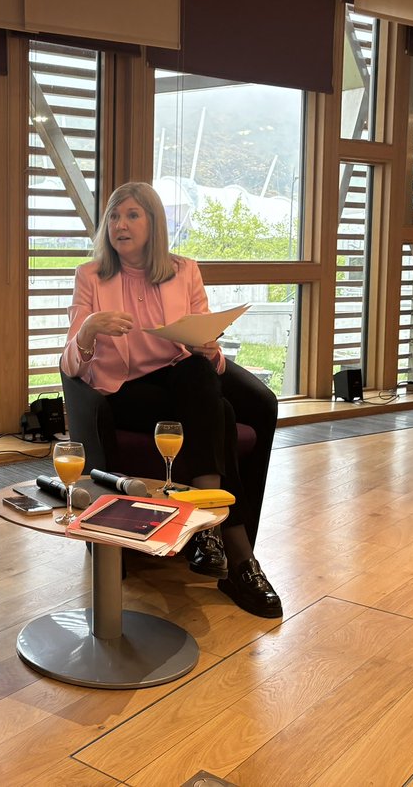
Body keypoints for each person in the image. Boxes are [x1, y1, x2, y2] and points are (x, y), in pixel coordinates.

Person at [60, 181, 282, 618]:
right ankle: (234, 554)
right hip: (124, 394)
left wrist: (208, 348)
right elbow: (70, 364)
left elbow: (211, 349)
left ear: (153, 223)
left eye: (131, 215)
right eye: (114, 217)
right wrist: (88, 331)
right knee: (219, 412)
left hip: (181, 382)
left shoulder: (185, 271)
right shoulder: (91, 276)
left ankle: (209, 535)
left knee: (201, 375)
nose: (120, 225)